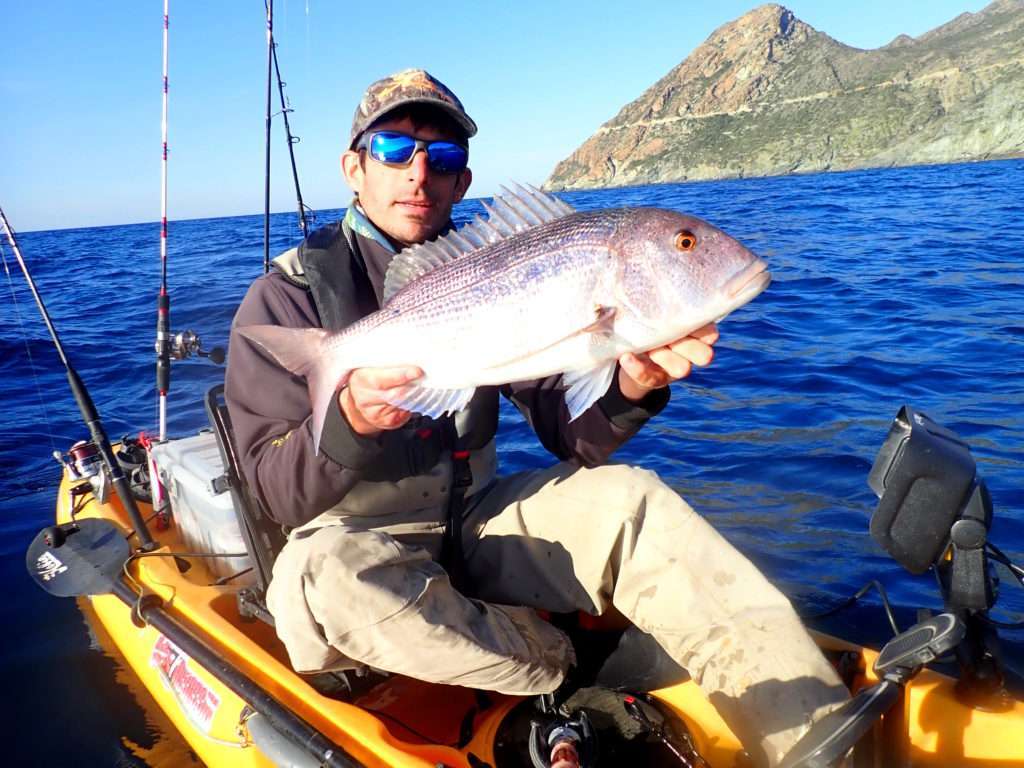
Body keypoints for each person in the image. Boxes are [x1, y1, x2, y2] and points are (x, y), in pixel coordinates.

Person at [225, 68, 847, 767]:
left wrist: (629, 383)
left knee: (634, 500)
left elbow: (568, 432)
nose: (419, 173)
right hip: (353, 546)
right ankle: (560, 664)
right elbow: (273, 491)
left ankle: (814, 741)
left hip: (472, 523)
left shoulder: (501, 265)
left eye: (446, 157)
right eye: (394, 149)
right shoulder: (285, 298)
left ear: (463, 182)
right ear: (353, 167)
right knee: (321, 578)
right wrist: (347, 421)